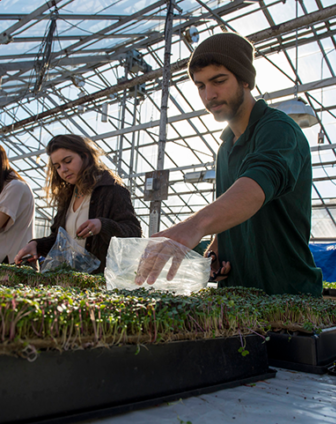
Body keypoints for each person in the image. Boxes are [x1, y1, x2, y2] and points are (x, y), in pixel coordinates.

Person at [135, 33, 322, 296]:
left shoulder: (278, 129)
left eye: (218, 80)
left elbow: (255, 188)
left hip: (285, 295)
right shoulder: (225, 148)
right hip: (236, 297)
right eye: (200, 86)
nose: (209, 95)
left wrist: (194, 226)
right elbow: (233, 207)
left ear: (245, 79)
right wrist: (217, 243)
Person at [14, 134, 141, 273]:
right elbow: (59, 238)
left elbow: (133, 232)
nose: (63, 169)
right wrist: (36, 245)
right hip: (70, 279)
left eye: (68, 161)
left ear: (85, 156)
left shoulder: (112, 190)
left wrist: (102, 225)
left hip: (100, 281)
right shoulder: (68, 196)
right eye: (57, 166)